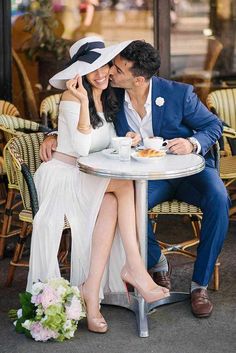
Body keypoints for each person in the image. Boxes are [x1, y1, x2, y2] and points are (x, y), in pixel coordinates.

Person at [41, 39, 230, 319]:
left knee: (219, 198)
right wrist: (54, 135)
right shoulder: (111, 93)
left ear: (138, 78)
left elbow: (214, 125)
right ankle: (157, 265)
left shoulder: (181, 94)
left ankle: (198, 285)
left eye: (117, 69)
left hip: (190, 171)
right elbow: (80, 119)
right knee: (131, 204)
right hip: (144, 175)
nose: (109, 72)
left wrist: (192, 143)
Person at [27, 37, 169, 334]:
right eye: (93, 68)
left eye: (105, 65)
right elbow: (79, 148)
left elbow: (103, 143)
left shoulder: (108, 96)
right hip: (64, 175)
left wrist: (128, 139)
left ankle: (91, 292)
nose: (102, 73)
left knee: (113, 201)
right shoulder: (71, 98)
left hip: (88, 176)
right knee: (125, 187)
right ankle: (135, 268)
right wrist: (79, 105)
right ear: (79, 72)